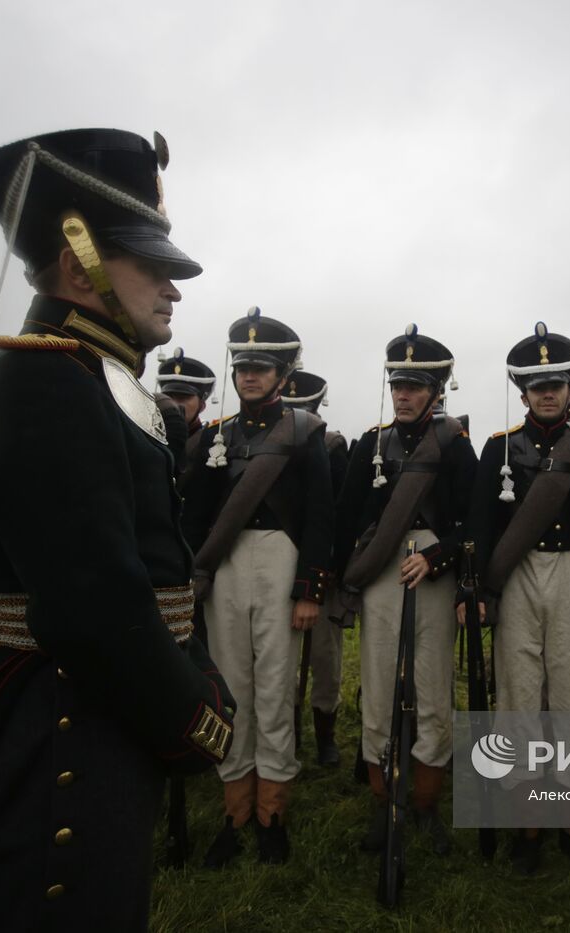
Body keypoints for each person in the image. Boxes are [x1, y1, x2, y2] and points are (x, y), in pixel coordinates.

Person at [0, 128, 235, 933]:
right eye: (152, 265)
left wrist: (193, 666)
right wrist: (193, 714)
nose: (173, 288)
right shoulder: (44, 380)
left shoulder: (90, 377)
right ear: (77, 259)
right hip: (53, 713)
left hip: (86, 698)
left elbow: (153, 566)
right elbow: (92, 600)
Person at [466, 322, 570, 879]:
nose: (547, 392)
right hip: (515, 579)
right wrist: (482, 589)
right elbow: (482, 526)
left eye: (555, 383)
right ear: (523, 391)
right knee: (518, 698)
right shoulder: (498, 448)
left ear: (568, 386)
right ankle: (529, 829)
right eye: (537, 386)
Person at [180, 309, 332, 866]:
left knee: (273, 685)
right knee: (230, 684)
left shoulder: (303, 432)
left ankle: (272, 809)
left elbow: (320, 515)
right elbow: (197, 516)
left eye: (261, 368)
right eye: (242, 367)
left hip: (281, 558)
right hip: (227, 566)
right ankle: (235, 806)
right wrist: (189, 572)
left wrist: (311, 588)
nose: (249, 376)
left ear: (282, 374)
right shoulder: (217, 436)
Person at [333, 325, 476, 856]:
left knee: (432, 687)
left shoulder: (456, 448)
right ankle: (383, 802)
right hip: (381, 576)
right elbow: (346, 516)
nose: (403, 394)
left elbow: (474, 523)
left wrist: (438, 556)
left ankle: (425, 805)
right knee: (379, 687)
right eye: (398, 384)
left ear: (437, 391)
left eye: (415, 386)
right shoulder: (371, 443)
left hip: (431, 577)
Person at [282, 369, 350, 767]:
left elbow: (336, 514)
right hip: (278, 564)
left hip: (321, 568)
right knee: (282, 659)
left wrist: (330, 570)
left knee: (325, 656)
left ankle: (325, 732)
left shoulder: (331, 445)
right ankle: (286, 729)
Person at [156, 348, 217, 462]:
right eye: (168, 397)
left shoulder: (213, 443)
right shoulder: (149, 437)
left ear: (202, 405)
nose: (173, 404)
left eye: (183, 398)